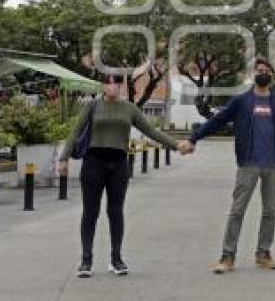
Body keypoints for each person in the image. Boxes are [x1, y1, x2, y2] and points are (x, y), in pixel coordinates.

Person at [179, 57, 275, 274]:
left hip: (273, 166)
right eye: (260, 70)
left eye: (267, 70)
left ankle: (263, 254)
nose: (263, 73)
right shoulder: (241, 102)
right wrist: (193, 139)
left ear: (272, 77)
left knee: (269, 211)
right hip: (248, 164)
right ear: (253, 74)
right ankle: (227, 256)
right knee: (237, 211)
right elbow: (217, 121)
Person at [58, 74, 189, 278]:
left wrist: (176, 145)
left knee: (116, 211)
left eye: (116, 82)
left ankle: (116, 259)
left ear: (120, 86)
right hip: (94, 163)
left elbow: (152, 132)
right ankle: (86, 260)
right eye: (108, 82)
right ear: (103, 85)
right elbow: (75, 132)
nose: (111, 86)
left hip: (118, 164)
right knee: (90, 212)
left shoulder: (129, 108)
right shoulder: (92, 106)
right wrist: (63, 158)